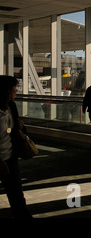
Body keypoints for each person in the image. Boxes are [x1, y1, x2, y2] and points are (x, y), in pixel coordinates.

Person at [0, 75, 32, 218]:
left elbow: (13, 130)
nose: (17, 90)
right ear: (7, 90)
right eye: (15, 88)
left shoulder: (11, 106)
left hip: (10, 157)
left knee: (17, 196)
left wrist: (20, 126)